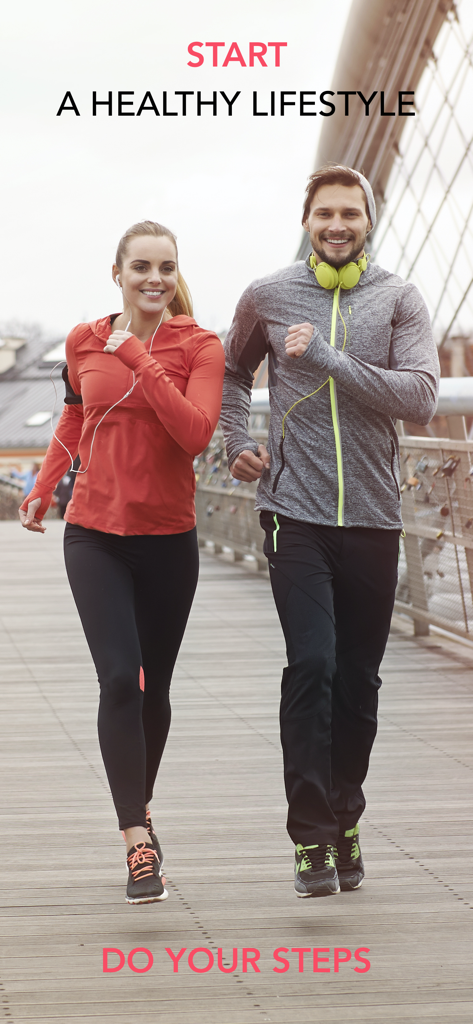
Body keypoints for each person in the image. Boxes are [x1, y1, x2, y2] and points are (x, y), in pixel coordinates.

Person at [220, 165, 439, 899]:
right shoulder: (267, 294)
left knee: (358, 681)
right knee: (310, 665)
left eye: (349, 213)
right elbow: (228, 373)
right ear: (307, 220)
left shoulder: (399, 298)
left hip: (374, 517)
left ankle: (346, 815)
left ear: (367, 221)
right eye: (324, 214)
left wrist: (324, 357)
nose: (336, 225)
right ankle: (311, 837)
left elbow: (417, 396)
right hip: (294, 514)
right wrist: (232, 442)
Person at [19, 221, 225, 904]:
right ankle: (136, 839)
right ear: (118, 273)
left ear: (176, 273)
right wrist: (44, 484)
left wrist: (140, 358)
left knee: (154, 689)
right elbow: (75, 418)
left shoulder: (199, 346)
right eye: (140, 266)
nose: (153, 279)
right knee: (118, 680)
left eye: (165, 267)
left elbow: (194, 434)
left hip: (169, 539)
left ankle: (140, 801)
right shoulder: (83, 341)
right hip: (96, 535)